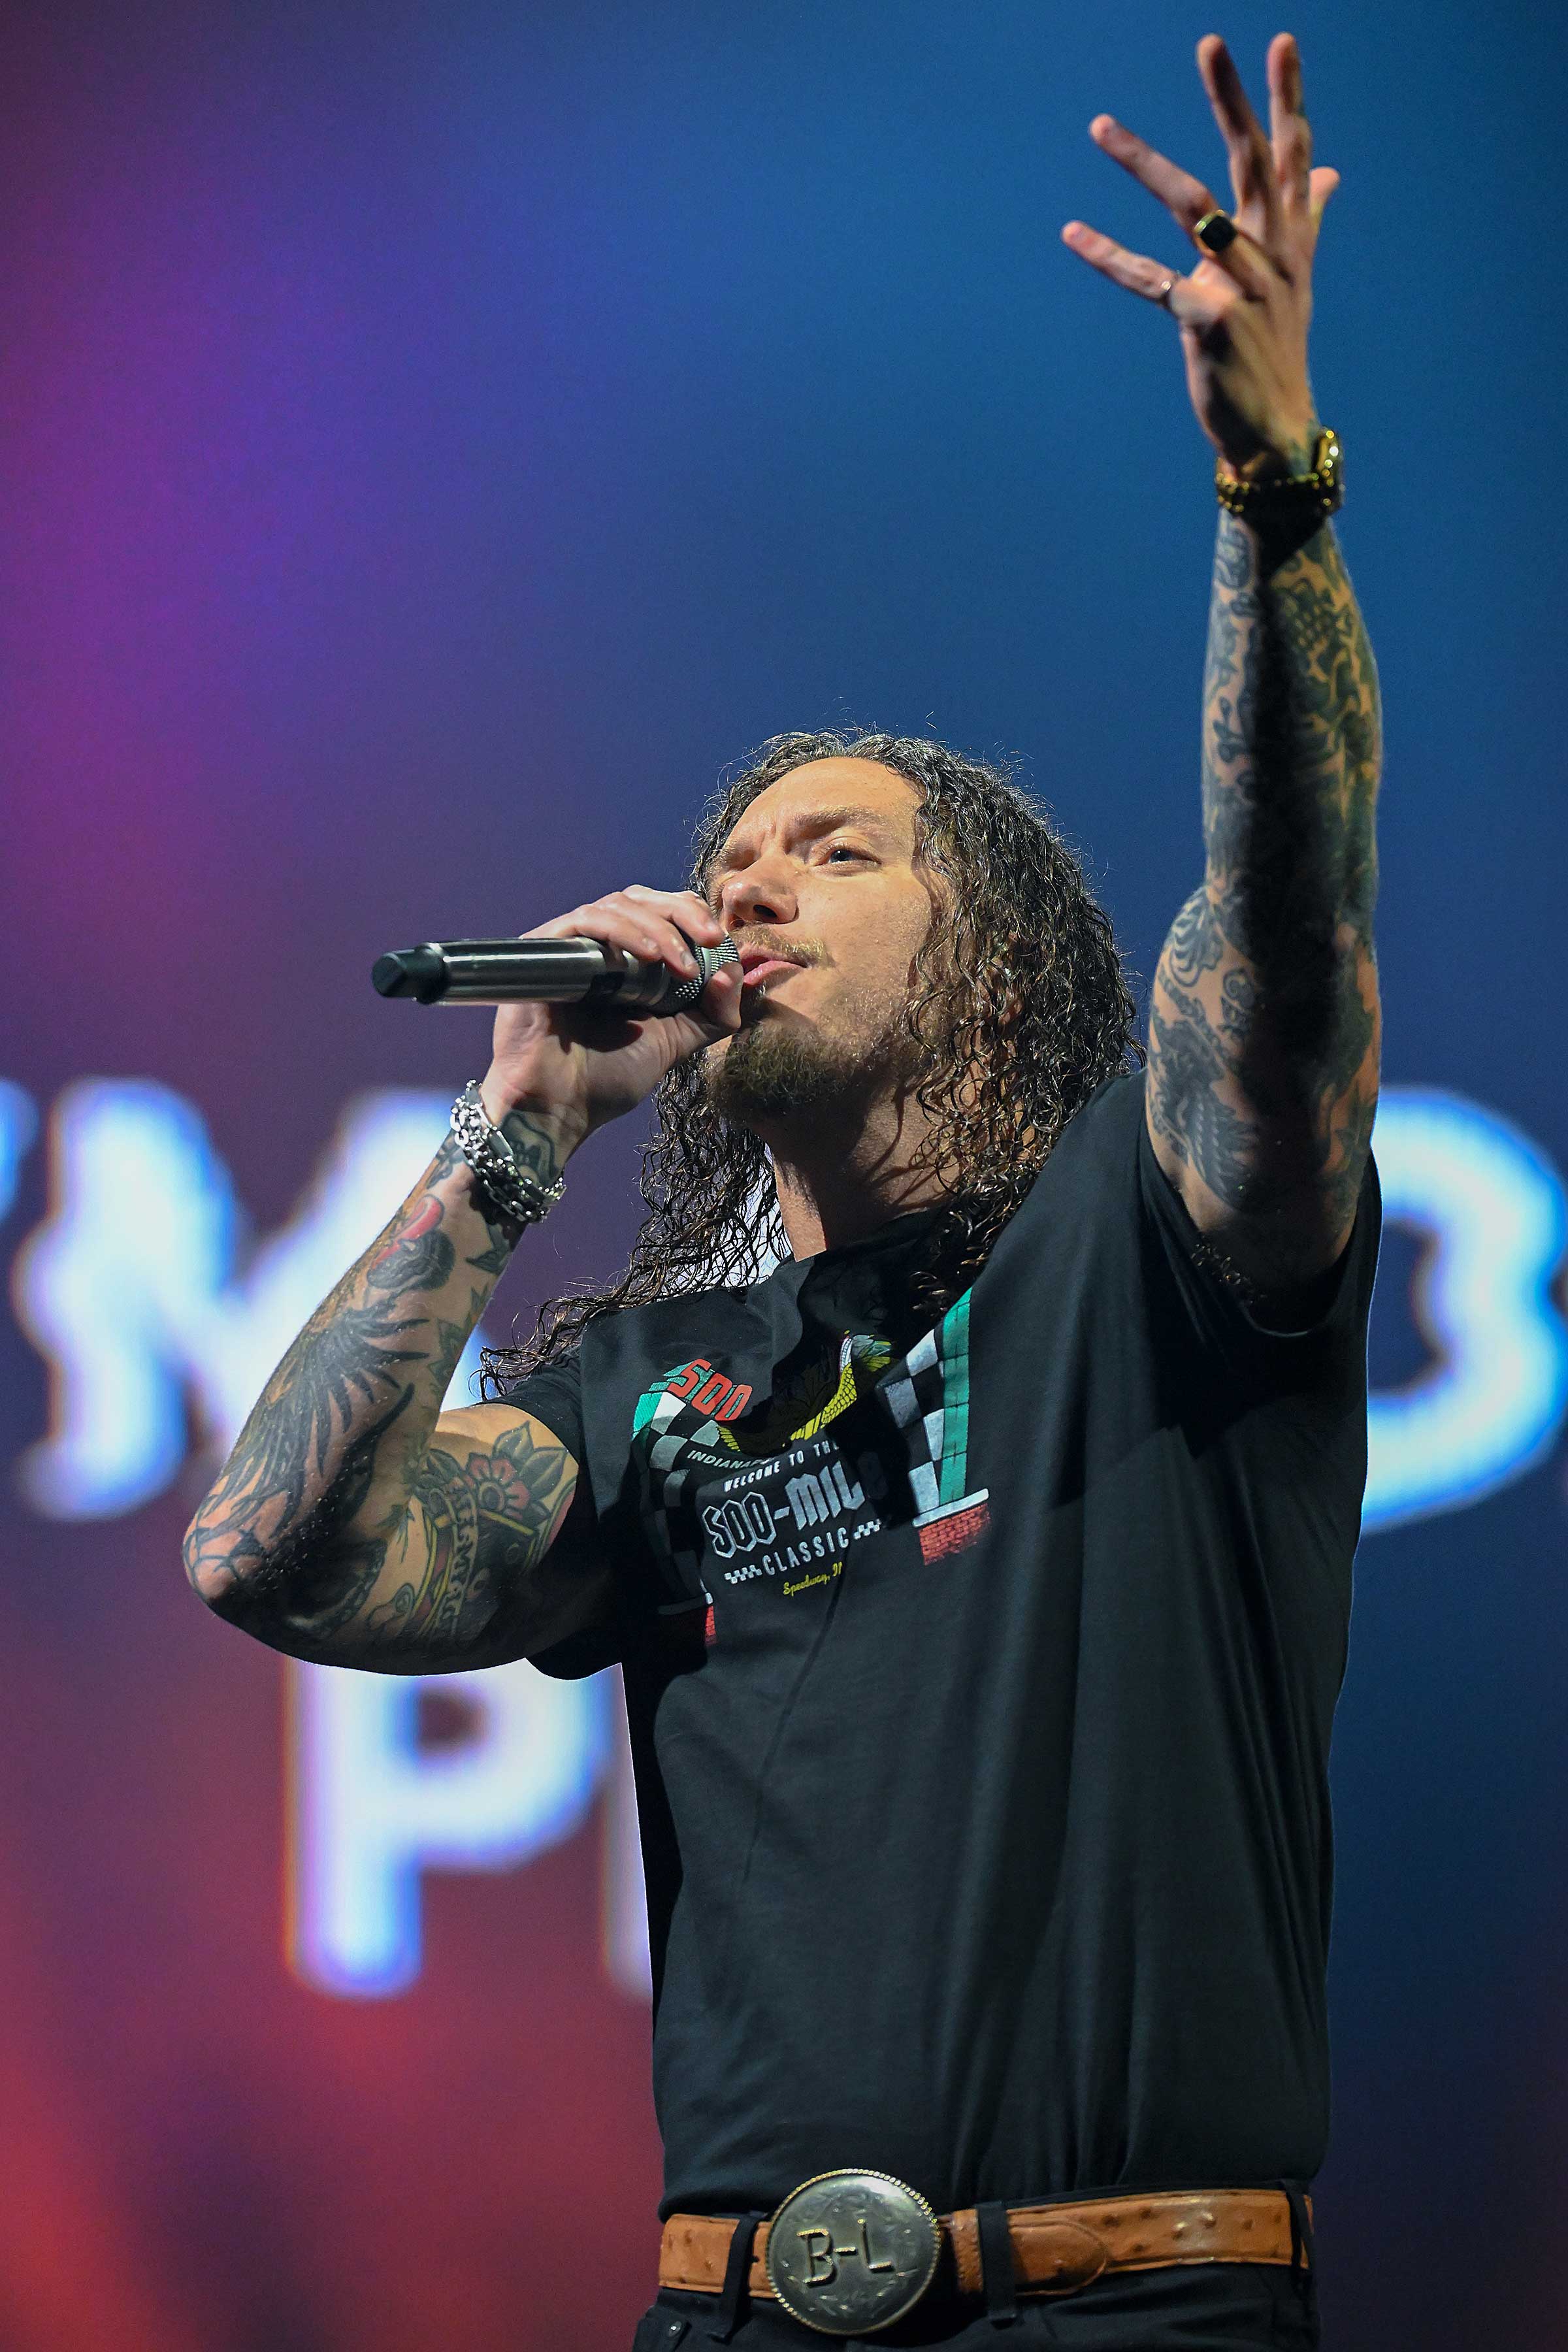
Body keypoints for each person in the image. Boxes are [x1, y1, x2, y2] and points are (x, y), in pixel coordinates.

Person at [185, 30, 1380, 2349]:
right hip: (737, 2313)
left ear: (998, 950)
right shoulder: (652, 1394)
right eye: (732, 861)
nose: (749, 892)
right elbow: (268, 1558)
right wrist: (522, 1132)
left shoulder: (1153, 1252)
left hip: (1134, 2308)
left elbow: (1295, 940)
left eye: (836, 855)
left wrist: (1273, 497)